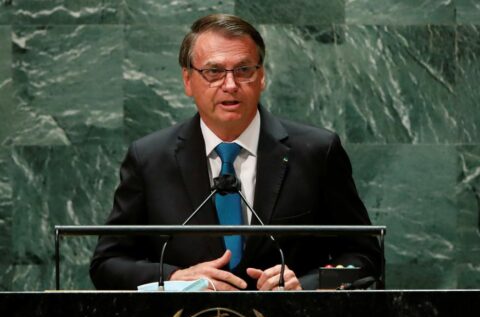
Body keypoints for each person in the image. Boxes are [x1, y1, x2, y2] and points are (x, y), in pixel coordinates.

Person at [90, 13, 382, 291]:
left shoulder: (316, 152)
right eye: (213, 72)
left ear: (262, 77)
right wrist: (175, 278)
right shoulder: (149, 159)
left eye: (243, 70)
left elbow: (366, 260)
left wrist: (306, 286)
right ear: (188, 80)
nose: (230, 85)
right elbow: (107, 264)